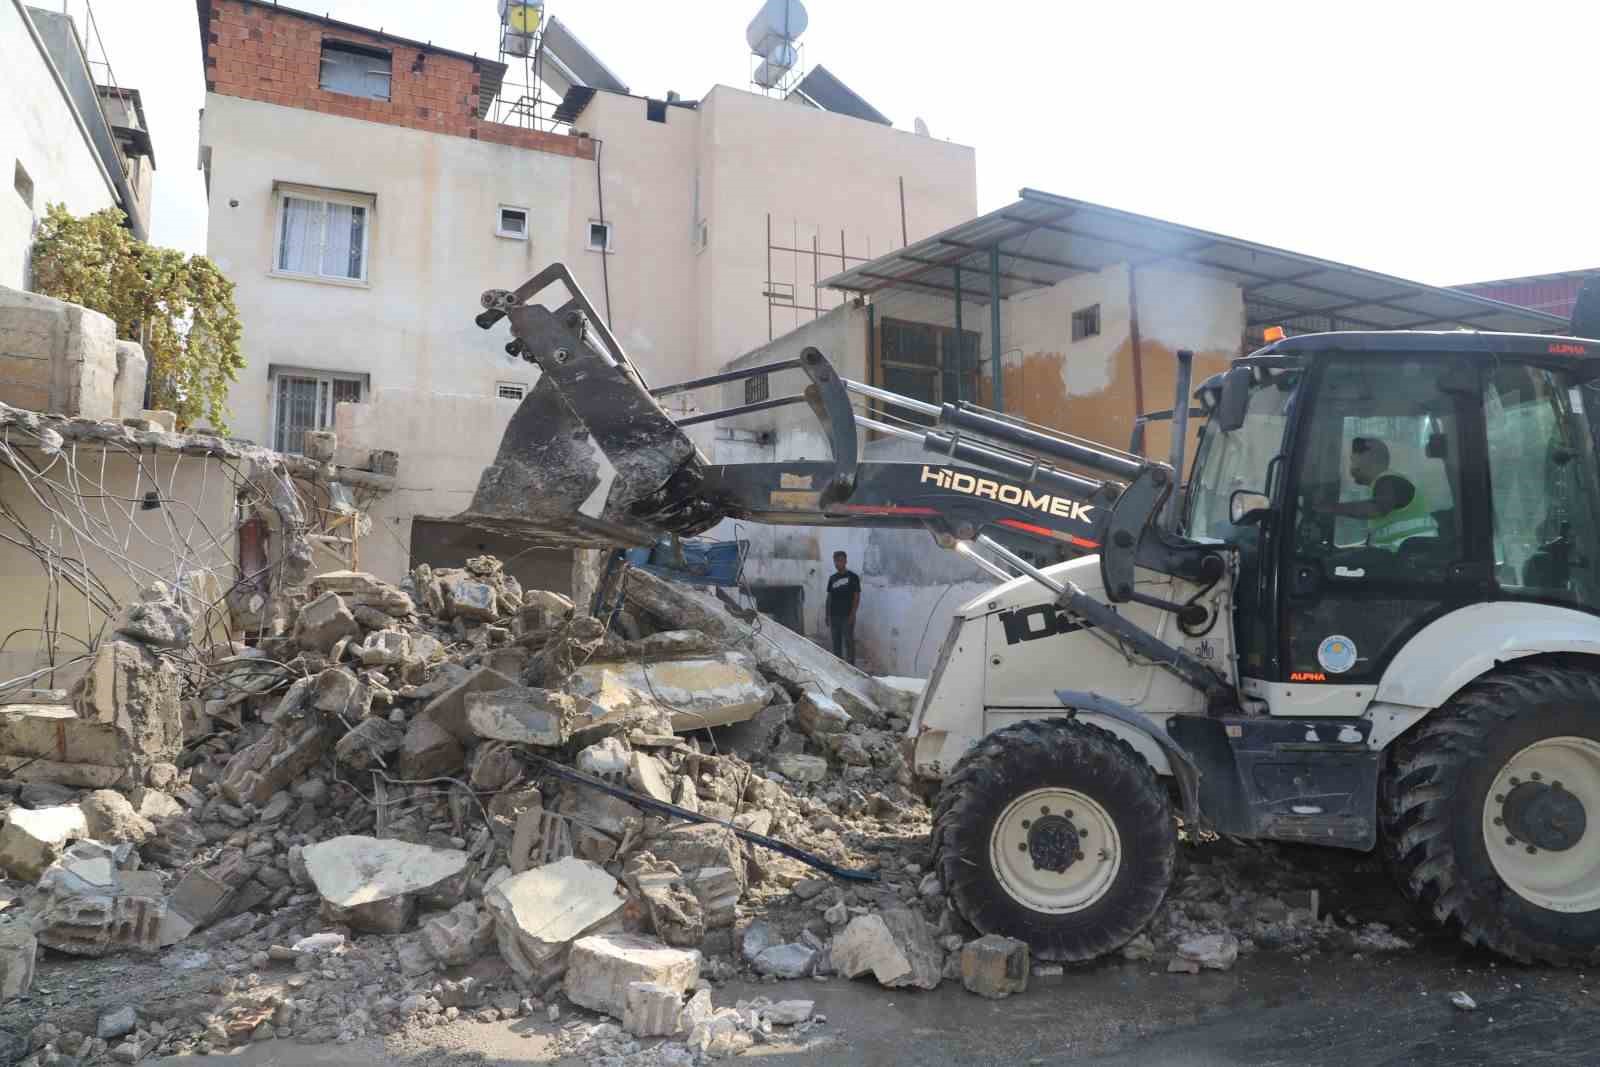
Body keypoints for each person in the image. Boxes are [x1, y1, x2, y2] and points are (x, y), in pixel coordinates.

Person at [1317, 436, 1436, 549]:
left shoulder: (1388, 481)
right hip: (1404, 556)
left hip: (1413, 557)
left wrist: (1332, 508)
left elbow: (1377, 508)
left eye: (1353, 460)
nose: (1351, 467)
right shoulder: (1381, 485)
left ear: (1369, 458)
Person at [825, 550, 861, 664]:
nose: (837, 563)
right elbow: (829, 597)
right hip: (834, 616)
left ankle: (851, 668)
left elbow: (856, 597)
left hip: (847, 616)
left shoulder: (853, 577)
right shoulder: (832, 578)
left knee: (849, 642)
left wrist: (853, 614)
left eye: (840, 561)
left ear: (845, 561)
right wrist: (827, 615)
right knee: (836, 643)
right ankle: (838, 665)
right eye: (835, 561)